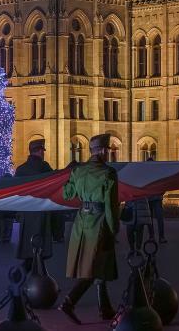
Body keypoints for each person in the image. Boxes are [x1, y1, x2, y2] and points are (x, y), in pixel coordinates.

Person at [58, 134, 119, 324]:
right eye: (109, 150)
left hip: (81, 222)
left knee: (99, 264)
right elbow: (111, 205)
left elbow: (67, 195)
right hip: (99, 222)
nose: (109, 153)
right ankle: (69, 302)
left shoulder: (78, 171)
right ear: (102, 151)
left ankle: (105, 309)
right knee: (93, 266)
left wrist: (69, 176)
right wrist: (113, 228)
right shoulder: (108, 173)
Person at [14, 139, 54, 271]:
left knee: (27, 241)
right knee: (40, 243)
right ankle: (38, 275)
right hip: (40, 210)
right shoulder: (44, 167)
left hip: (26, 211)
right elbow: (54, 182)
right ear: (40, 151)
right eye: (42, 150)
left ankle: (26, 270)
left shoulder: (21, 169)